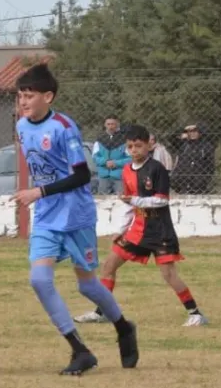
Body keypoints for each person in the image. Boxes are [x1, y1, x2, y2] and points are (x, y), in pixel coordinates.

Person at [10, 63, 139, 376]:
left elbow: (82, 176)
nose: (23, 102)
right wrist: (38, 195)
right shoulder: (22, 127)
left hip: (76, 215)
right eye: (20, 96)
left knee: (87, 285)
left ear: (48, 97)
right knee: (39, 280)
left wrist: (39, 191)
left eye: (29, 96)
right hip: (46, 217)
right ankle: (80, 350)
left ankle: (123, 327)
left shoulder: (64, 127)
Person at [84, 125, 208, 327]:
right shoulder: (126, 170)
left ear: (148, 146)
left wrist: (135, 200)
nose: (134, 150)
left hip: (160, 231)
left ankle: (195, 314)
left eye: (138, 146)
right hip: (137, 230)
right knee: (109, 265)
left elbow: (161, 200)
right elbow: (128, 204)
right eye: (130, 146)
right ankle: (102, 312)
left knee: (169, 274)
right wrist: (120, 230)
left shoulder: (157, 169)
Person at [92, 115, 130, 195]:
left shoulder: (125, 140)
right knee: (102, 200)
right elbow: (95, 157)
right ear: (105, 125)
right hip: (103, 176)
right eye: (108, 124)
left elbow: (130, 159)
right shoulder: (99, 140)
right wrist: (105, 162)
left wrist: (116, 163)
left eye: (113, 124)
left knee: (121, 199)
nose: (110, 126)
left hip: (119, 176)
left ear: (117, 124)